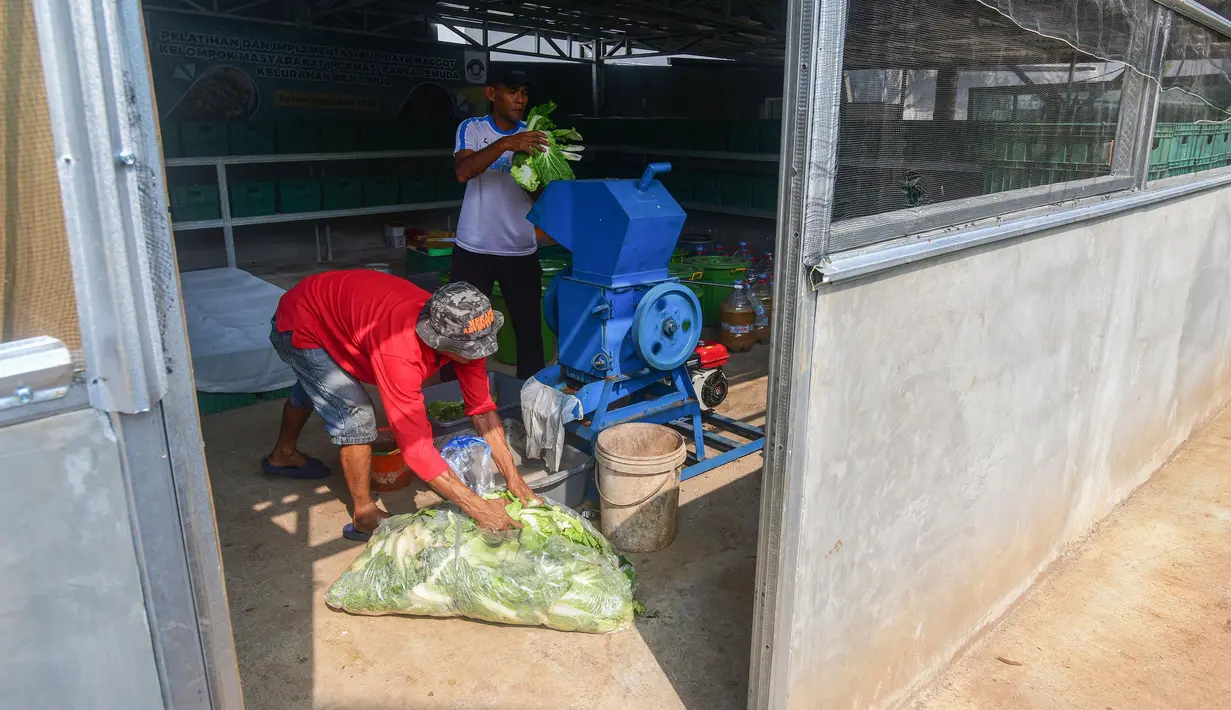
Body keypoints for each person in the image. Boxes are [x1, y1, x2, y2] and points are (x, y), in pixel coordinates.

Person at [260, 271, 538, 539]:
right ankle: (364, 515)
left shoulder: (468, 332)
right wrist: (479, 508)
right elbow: (416, 448)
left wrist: (513, 478)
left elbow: (483, 411)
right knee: (356, 415)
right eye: (469, 351)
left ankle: (283, 454)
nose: (477, 355)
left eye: (483, 346)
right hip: (302, 321)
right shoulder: (400, 352)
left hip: (337, 313)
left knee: (317, 386)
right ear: (438, 340)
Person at [450, 66, 551, 379]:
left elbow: (543, 198)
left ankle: (531, 396)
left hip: (519, 249)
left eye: (524, 93)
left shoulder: (535, 137)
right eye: (512, 92)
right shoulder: (472, 128)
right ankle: (454, 396)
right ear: (492, 94)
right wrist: (506, 144)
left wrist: (531, 176)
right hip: (473, 248)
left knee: (529, 332)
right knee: (460, 330)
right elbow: (463, 171)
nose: (519, 99)